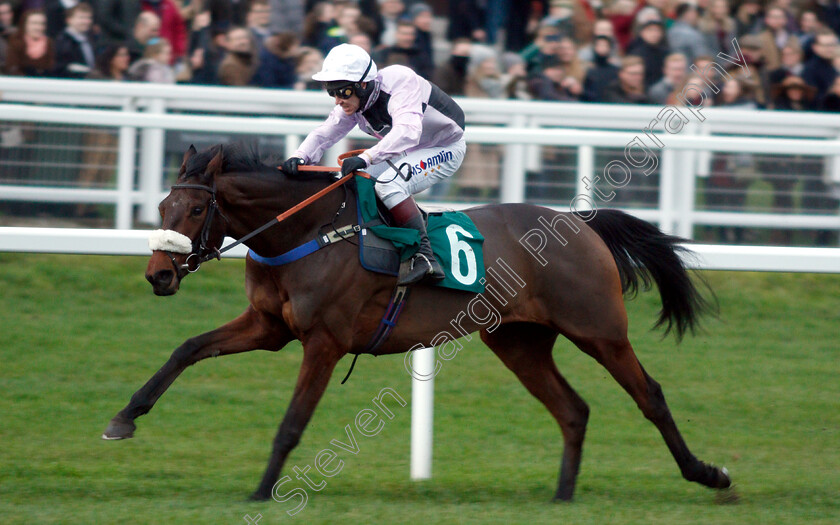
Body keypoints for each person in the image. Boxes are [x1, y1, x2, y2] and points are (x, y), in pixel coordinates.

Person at [282, 44, 466, 285]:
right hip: (407, 150)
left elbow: (407, 132)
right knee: (350, 182)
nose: (338, 100)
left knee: (389, 185)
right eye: (331, 92)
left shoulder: (400, 80)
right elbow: (326, 132)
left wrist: (367, 157)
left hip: (444, 148)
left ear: (363, 84)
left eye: (343, 92)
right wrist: (300, 156)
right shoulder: (356, 100)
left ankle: (425, 256)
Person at [52, 2, 97, 78]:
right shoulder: (61, 41)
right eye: (81, 18)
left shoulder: (90, 39)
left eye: (88, 18)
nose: (86, 21)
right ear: (69, 20)